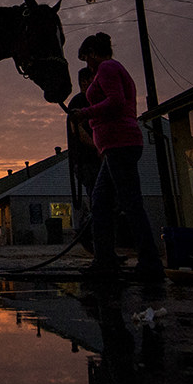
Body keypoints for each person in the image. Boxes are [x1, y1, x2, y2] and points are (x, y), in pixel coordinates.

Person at [68, 32, 165, 281]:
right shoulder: (108, 70)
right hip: (114, 146)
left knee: (129, 202)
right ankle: (106, 259)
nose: (86, 64)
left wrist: (86, 113)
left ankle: (149, 260)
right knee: (102, 201)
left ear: (92, 52)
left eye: (85, 57)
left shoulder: (108, 68)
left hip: (120, 143)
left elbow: (116, 102)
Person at [65, 66, 99, 252]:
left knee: (103, 201)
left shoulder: (93, 101)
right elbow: (77, 130)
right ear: (86, 82)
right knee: (98, 200)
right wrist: (97, 147)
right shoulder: (79, 102)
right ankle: (86, 233)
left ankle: (100, 245)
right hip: (87, 161)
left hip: (94, 160)